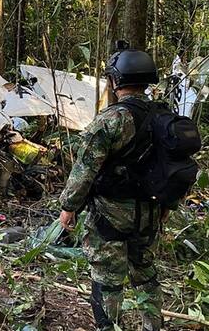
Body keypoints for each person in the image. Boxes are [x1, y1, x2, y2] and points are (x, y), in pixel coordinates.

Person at [59, 44, 170, 331]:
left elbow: (84, 169)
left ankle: (109, 327)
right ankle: (152, 326)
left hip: (110, 215)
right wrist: (167, 205)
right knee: (145, 272)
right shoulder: (163, 116)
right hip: (150, 211)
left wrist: (68, 207)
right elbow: (174, 166)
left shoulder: (112, 119)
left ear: (116, 80)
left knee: (107, 278)